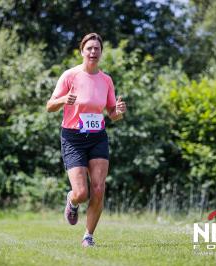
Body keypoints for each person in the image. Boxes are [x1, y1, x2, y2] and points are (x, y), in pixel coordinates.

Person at [46, 33, 127, 247]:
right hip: (73, 137)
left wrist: (118, 111)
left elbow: (112, 114)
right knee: (82, 193)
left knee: (99, 189)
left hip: (97, 136)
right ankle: (72, 201)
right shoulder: (70, 76)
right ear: (82, 51)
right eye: (89, 48)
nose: (93, 52)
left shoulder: (106, 79)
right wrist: (64, 99)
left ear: (101, 52)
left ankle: (88, 236)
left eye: (96, 49)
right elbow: (49, 105)